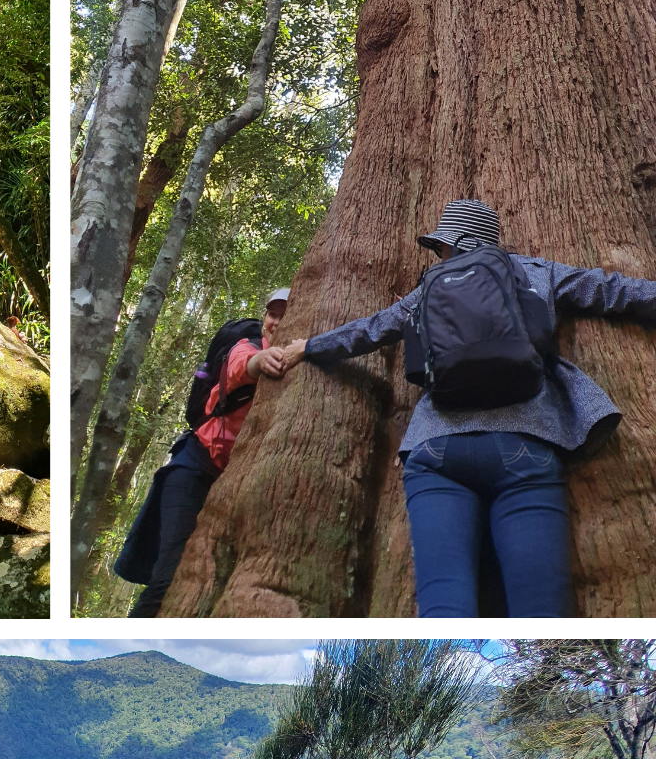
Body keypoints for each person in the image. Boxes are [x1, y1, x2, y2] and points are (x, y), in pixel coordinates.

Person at [263, 199, 656, 616]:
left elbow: (372, 329)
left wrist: (309, 346)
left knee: (443, 611)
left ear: (456, 243)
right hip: (524, 445)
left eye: (442, 247)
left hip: (435, 450)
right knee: (541, 612)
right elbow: (614, 292)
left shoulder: (429, 289)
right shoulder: (537, 272)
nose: (440, 256)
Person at [117, 287, 291, 616]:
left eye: (284, 315)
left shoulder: (299, 362)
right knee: (170, 577)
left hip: (234, 484)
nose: (276, 322)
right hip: (194, 467)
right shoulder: (249, 345)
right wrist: (260, 361)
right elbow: (239, 365)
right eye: (272, 315)